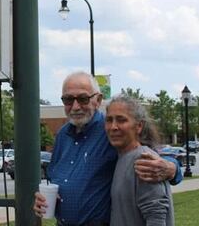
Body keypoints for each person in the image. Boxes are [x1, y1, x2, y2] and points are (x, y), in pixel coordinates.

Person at [33, 71, 181, 225]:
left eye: (83, 99)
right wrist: (43, 199)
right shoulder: (63, 135)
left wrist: (172, 168)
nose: (75, 106)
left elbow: (147, 156)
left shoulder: (111, 130)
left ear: (97, 100)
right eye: (68, 100)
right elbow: (55, 177)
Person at [105, 94, 174, 226]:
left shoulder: (144, 160)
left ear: (139, 126)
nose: (113, 127)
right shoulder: (122, 157)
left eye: (121, 120)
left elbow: (156, 219)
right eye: (109, 120)